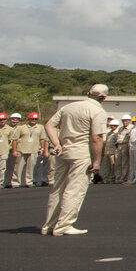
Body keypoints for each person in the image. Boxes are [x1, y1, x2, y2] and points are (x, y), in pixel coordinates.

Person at [41, 85, 110, 235]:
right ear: (104, 98)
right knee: (75, 189)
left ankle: (49, 225)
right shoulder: (98, 111)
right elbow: (96, 138)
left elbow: (49, 125)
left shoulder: (69, 107)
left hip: (64, 150)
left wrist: (56, 143)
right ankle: (64, 225)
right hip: (81, 151)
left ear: (87, 93)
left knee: (58, 188)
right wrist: (97, 161)